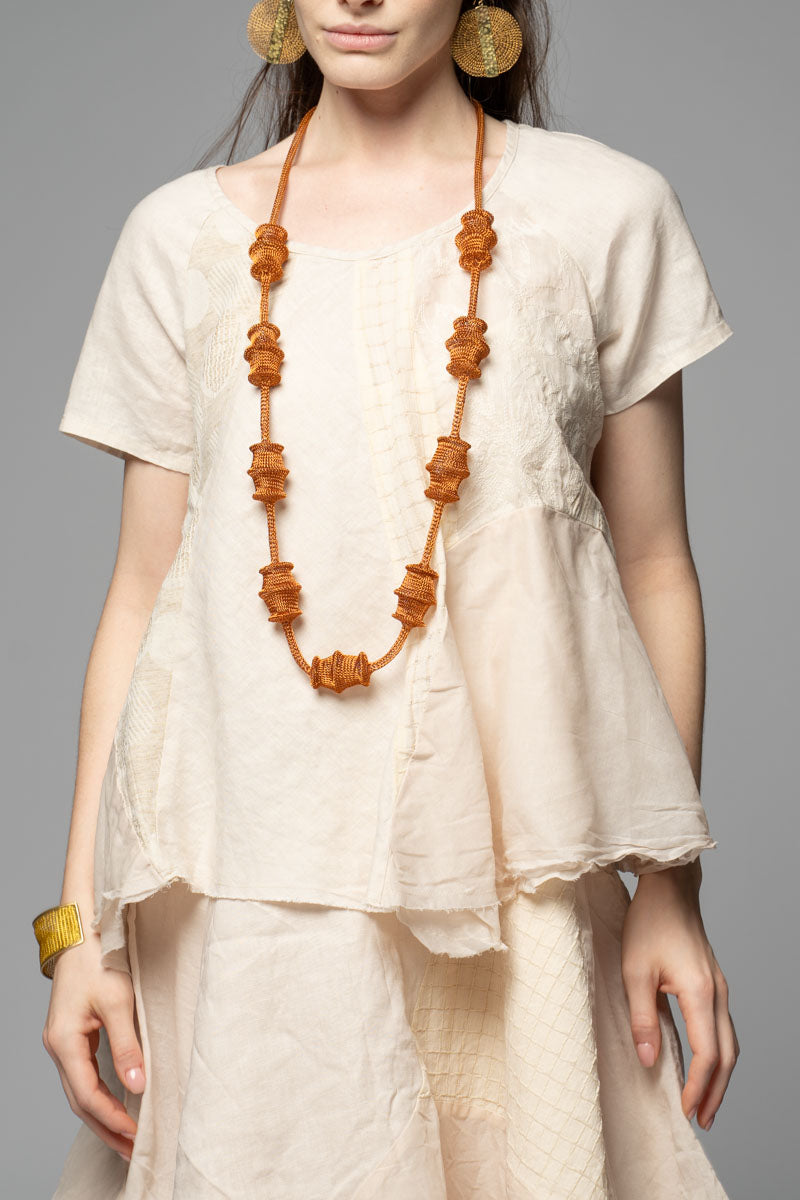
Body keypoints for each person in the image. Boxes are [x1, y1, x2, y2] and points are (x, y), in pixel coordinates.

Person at [37, 2, 740, 1196]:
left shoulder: (603, 212)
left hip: (517, 884)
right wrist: (75, 934)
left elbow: (653, 567)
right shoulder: (178, 238)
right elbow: (140, 599)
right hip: (248, 887)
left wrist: (668, 885)